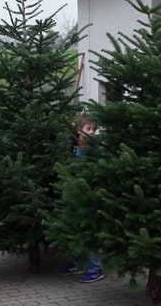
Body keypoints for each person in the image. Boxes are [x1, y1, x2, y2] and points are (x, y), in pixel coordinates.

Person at [59, 113, 104, 283]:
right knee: (75, 230)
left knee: (89, 233)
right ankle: (77, 262)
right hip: (75, 196)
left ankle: (95, 269)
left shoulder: (96, 150)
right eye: (88, 129)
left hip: (89, 197)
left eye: (94, 129)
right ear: (79, 131)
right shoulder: (74, 148)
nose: (92, 132)